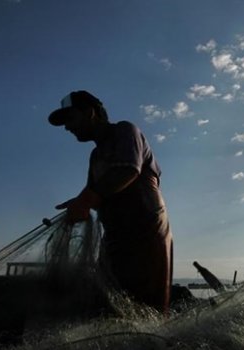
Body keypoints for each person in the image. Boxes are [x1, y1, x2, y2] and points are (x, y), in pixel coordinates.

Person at [48, 90, 173, 314]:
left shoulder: (125, 130)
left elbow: (128, 170)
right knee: (110, 304)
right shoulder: (96, 156)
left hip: (146, 233)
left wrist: (86, 200)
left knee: (147, 307)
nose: (67, 127)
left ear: (90, 112)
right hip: (115, 237)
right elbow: (94, 193)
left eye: (70, 119)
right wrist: (78, 203)